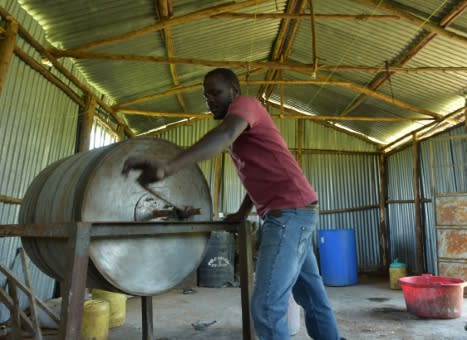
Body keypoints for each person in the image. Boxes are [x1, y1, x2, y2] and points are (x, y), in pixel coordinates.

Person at [122, 68, 342, 340]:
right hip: (296, 211)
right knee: (310, 294)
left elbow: (224, 136)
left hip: (289, 215)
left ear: (234, 92)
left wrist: (168, 168)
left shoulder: (245, 107)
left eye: (216, 92)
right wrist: (242, 211)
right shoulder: (239, 132)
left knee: (266, 307)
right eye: (206, 96)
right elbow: (260, 175)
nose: (210, 100)